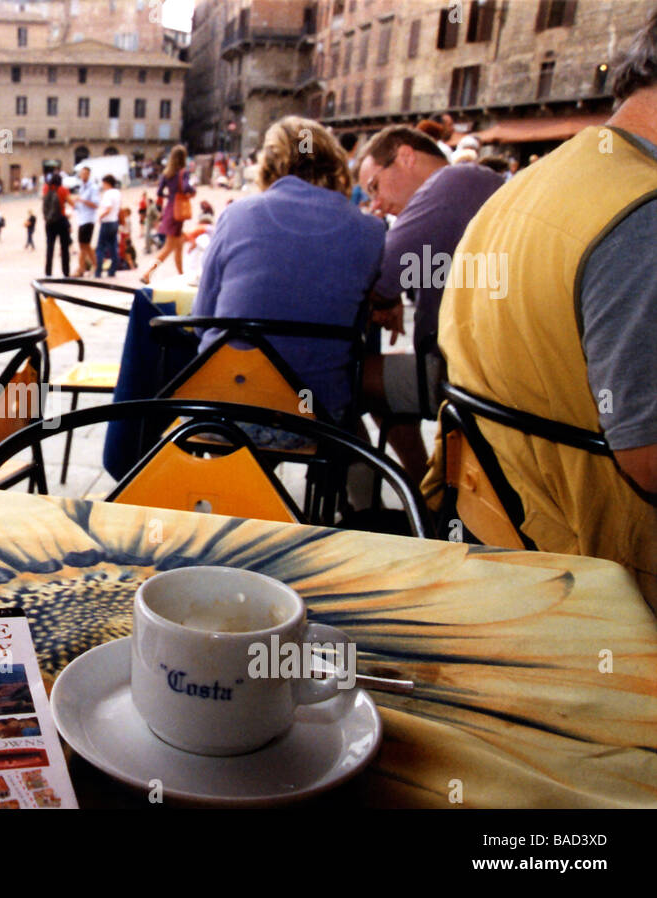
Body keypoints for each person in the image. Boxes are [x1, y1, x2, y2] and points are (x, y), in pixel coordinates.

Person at [433, 10, 657, 610]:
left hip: (495, 524)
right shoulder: (644, 213)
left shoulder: (526, 187)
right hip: (608, 576)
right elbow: (648, 458)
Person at [191, 117, 385, 428]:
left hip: (227, 413)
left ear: (268, 163)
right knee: (350, 433)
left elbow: (201, 319)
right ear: (334, 161)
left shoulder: (238, 215)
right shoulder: (371, 231)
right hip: (315, 415)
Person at [355, 125, 505, 482]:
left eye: (374, 186)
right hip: (483, 371)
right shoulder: (471, 182)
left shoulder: (452, 182)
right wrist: (389, 295)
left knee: (344, 379)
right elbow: (399, 278)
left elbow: (380, 277)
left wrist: (385, 293)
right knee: (382, 379)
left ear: (406, 156)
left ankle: (416, 490)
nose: (375, 203)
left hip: (472, 381)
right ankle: (426, 485)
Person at [141, 145, 195, 282]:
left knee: (178, 245)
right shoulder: (183, 172)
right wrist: (192, 191)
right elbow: (186, 187)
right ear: (183, 157)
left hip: (169, 209)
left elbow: (159, 192)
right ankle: (148, 273)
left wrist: (169, 197)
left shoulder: (166, 173)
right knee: (170, 246)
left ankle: (181, 275)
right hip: (178, 212)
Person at [41, 172, 73, 277]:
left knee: (50, 247)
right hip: (61, 220)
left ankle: (48, 272)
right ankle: (66, 272)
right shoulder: (63, 189)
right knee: (64, 248)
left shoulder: (46, 188)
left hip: (49, 222)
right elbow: (71, 203)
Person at [72, 163, 101, 276]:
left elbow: (95, 204)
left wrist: (82, 201)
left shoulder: (93, 187)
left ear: (89, 174)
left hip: (89, 219)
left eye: (85, 173)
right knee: (83, 245)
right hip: (82, 218)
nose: (83, 175)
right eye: (82, 173)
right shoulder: (82, 187)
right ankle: (86, 267)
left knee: (85, 245)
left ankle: (86, 267)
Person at [92, 175, 122, 278]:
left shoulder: (107, 194)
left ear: (107, 183)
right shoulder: (117, 193)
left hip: (107, 222)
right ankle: (112, 270)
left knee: (100, 248)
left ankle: (98, 271)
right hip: (114, 221)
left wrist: (100, 216)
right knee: (113, 247)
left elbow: (108, 208)